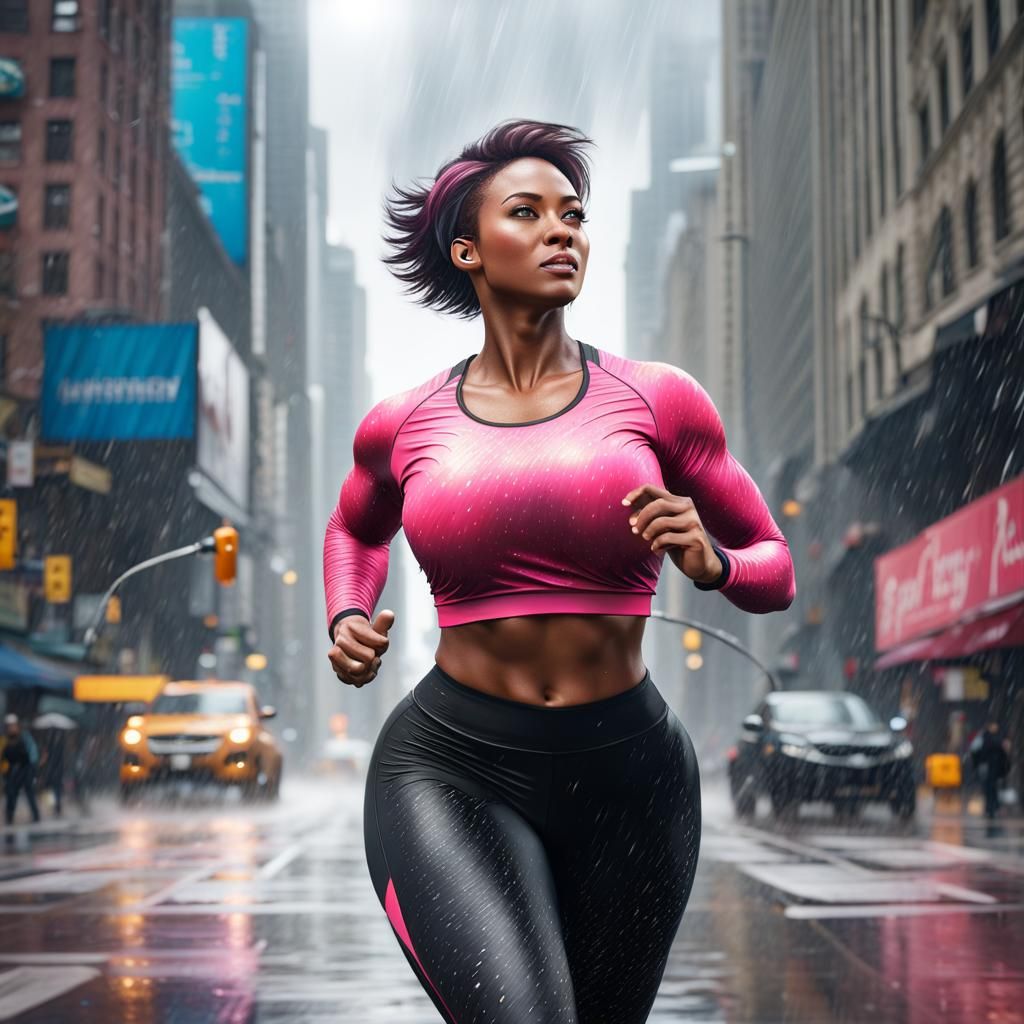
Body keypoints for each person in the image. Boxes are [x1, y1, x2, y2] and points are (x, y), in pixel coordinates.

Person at [322, 120, 795, 1023]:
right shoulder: (402, 422)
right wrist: (348, 615)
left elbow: (775, 568)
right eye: (528, 212)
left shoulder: (662, 399)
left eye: (573, 215)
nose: (561, 231)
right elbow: (354, 529)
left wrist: (713, 559)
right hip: (449, 768)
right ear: (468, 248)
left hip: (634, 776)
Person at [2, 714, 40, 825]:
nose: (11, 728)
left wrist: (32, 768)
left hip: (25, 769)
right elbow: (5, 756)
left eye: (13, 725)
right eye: (9, 726)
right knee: (11, 793)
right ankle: (9, 816)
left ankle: (35, 815)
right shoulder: (6, 739)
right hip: (13, 771)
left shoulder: (24, 737)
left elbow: (30, 755)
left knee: (29, 792)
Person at [971, 720, 1011, 819]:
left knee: (991, 787)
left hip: (993, 766)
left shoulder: (992, 737)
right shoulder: (987, 737)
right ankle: (992, 807)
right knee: (989, 787)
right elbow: (975, 750)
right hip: (988, 765)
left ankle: (992, 807)